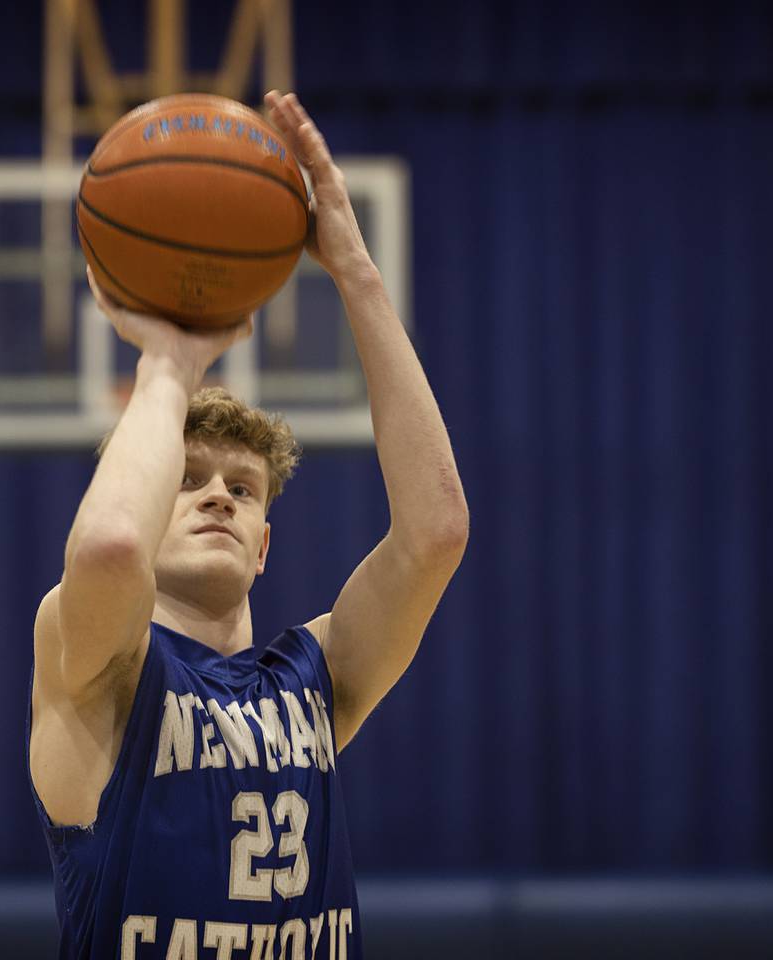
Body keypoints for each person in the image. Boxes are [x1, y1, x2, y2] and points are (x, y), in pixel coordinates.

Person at [28, 90, 469, 959]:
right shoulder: (102, 675)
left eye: (243, 487)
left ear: (266, 544)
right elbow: (114, 546)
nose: (220, 496)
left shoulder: (317, 679)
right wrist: (170, 362)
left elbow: (437, 532)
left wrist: (353, 269)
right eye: (188, 481)